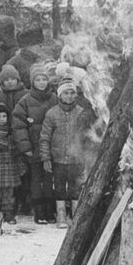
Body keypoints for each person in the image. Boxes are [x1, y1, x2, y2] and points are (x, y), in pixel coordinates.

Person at [39, 79, 94, 228]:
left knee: (75, 188)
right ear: (59, 95)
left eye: (72, 93)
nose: (69, 96)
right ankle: (61, 215)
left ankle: (75, 215)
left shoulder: (81, 113)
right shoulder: (52, 114)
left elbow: (87, 137)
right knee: (59, 187)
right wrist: (46, 157)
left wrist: (85, 156)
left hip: (76, 159)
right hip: (58, 159)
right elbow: (45, 137)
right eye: (65, 93)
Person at [12, 64, 58, 224]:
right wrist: (26, 148)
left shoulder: (54, 99)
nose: (41, 82)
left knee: (49, 178)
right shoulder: (25, 100)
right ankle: (39, 210)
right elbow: (18, 125)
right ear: (33, 82)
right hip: (34, 147)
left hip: (52, 148)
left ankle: (49, 209)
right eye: (38, 79)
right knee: (36, 179)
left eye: (44, 79)